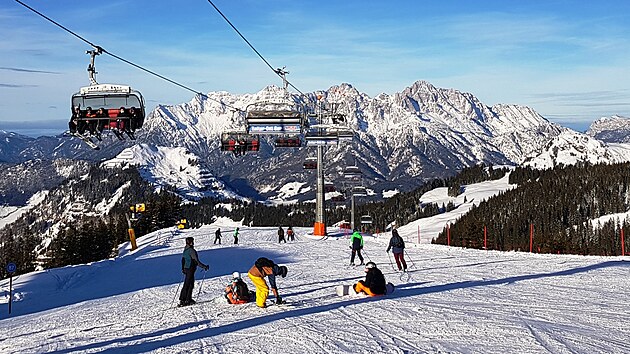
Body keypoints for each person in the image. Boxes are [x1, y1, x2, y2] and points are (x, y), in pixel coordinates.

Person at [179, 237, 209, 307]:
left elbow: (183, 259)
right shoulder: (192, 251)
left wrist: (183, 268)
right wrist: (204, 267)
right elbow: (196, 261)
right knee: (187, 284)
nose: (193, 242)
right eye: (192, 241)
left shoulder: (185, 249)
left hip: (186, 268)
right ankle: (183, 300)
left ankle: (188, 299)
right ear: (190, 242)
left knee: (190, 284)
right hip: (190, 269)